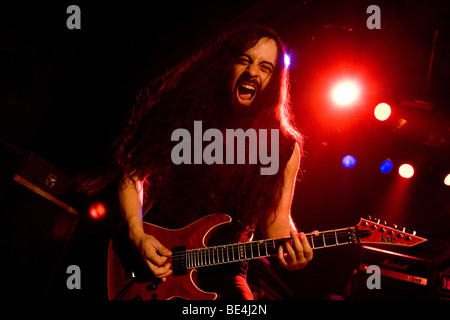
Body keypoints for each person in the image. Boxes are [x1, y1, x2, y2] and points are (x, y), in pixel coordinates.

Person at [114, 24, 313, 299]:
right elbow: (132, 173)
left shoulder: (282, 146)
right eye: (245, 60)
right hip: (156, 256)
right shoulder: (186, 115)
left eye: (265, 67)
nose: (252, 72)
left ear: (274, 80)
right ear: (225, 64)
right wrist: (137, 235)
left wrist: (293, 250)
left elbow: (276, 218)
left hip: (224, 272)